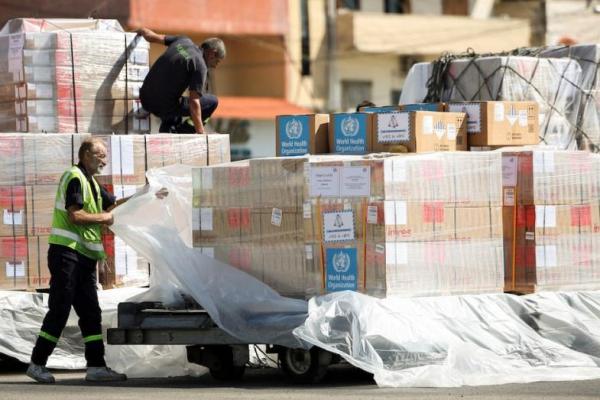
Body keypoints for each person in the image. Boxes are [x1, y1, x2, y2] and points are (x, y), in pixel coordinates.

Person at [26, 138, 167, 384]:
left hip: (84, 257)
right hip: (66, 254)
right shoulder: (75, 178)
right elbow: (76, 215)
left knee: (91, 313)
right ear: (86, 155)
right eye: (101, 155)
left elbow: (113, 206)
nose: (105, 160)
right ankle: (37, 363)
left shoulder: (90, 182)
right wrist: (104, 218)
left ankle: (96, 367)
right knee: (60, 308)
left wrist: (146, 193)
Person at [137, 27, 226, 134]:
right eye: (217, 61)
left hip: (144, 98)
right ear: (212, 53)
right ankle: (182, 132)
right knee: (212, 102)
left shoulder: (182, 41)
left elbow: (151, 36)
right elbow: (194, 102)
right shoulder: (200, 66)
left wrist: (138, 31)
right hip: (161, 106)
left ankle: (167, 131)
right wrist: (202, 134)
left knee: (175, 102)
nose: (215, 66)